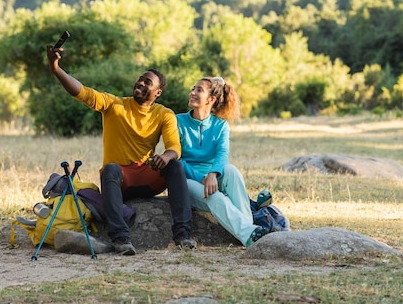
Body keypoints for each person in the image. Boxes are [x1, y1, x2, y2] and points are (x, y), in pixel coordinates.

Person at [46, 45, 196, 255]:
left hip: (146, 177)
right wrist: (56, 68)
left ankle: (183, 234)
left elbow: (174, 147)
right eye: (140, 79)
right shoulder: (114, 105)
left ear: (158, 92)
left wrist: (166, 156)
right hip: (120, 180)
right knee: (110, 169)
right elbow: (81, 91)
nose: (141, 83)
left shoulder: (164, 114)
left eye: (147, 82)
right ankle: (121, 239)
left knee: (176, 166)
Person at [176, 76, 269, 247]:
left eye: (199, 90)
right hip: (186, 181)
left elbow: (222, 154)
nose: (192, 93)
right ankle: (249, 233)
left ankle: (249, 231)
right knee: (214, 196)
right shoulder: (178, 121)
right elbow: (176, 159)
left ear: (211, 99)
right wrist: (203, 178)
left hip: (212, 176)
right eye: (193, 88)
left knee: (232, 171)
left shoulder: (220, 125)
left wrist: (212, 174)